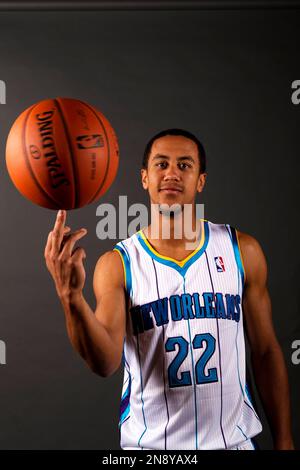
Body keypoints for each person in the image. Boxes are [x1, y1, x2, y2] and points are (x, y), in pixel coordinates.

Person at [44, 128, 294, 450]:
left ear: (200, 181)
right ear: (145, 178)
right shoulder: (118, 264)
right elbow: (104, 362)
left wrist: (284, 440)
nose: (172, 173)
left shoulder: (241, 251)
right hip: (153, 449)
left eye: (185, 165)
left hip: (233, 443)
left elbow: (265, 351)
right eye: (161, 164)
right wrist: (71, 298)